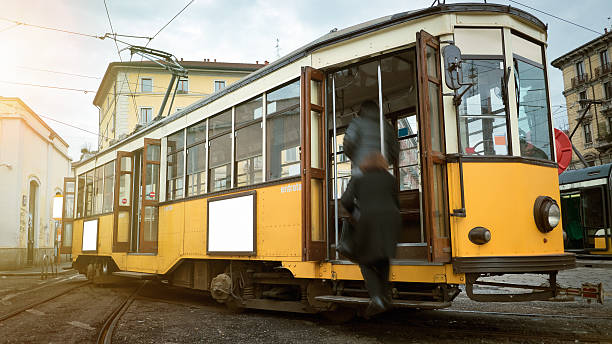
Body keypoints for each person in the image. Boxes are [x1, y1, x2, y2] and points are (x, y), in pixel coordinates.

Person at [340, 100, 401, 317]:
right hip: (389, 207)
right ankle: (384, 295)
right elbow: (395, 149)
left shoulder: (356, 123)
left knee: (363, 256)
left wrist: (356, 158)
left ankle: (346, 244)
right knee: (384, 258)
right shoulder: (387, 126)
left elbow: (347, 144)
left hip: (361, 174)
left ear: (361, 110)